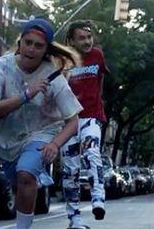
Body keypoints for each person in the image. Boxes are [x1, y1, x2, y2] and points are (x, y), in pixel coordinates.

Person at [0, 18, 83, 229]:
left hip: (43, 133)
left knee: (26, 174)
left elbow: (73, 121)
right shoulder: (0, 67)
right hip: (9, 138)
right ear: (20, 43)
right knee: (19, 183)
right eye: (28, 42)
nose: (31, 49)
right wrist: (27, 95)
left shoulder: (53, 76)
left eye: (38, 46)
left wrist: (55, 145)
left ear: (46, 50)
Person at [60, 20, 112, 228]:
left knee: (92, 152)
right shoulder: (63, 59)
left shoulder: (97, 56)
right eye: (81, 38)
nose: (87, 41)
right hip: (68, 119)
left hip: (91, 115)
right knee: (70, 168)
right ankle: (74, 218)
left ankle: (98, 199)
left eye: (89, 37)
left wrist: (97, 103)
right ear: (71, 41)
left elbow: (100, 80)